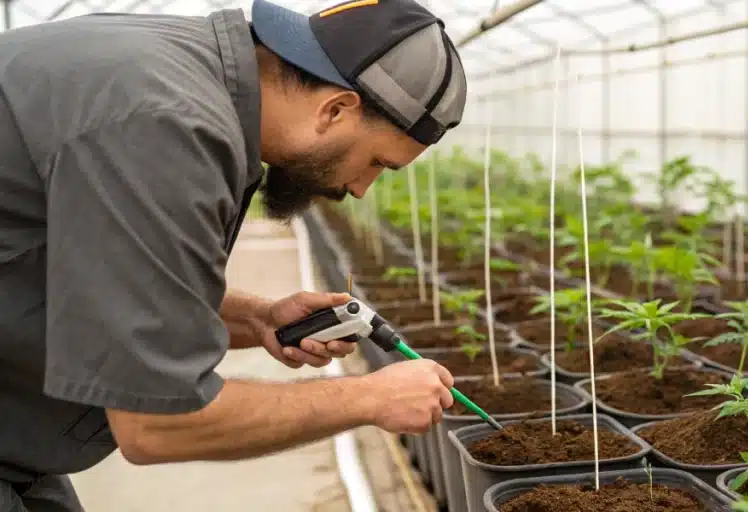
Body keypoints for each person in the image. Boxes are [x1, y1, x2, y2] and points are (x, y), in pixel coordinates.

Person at [0, 0, 468, 509]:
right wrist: (369, 398)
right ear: (336, 109)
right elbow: (157, 423)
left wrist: (257, 318)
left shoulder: (181, 73)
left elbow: (100, 268)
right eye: (377, 162)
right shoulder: (168, 126)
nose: (360, 189)